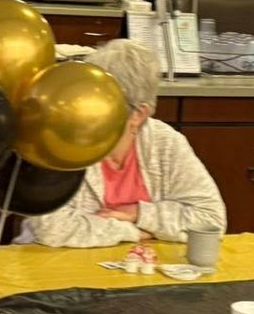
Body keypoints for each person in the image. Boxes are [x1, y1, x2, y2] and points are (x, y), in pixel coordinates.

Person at [19, 38, 226, 248]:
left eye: (105, 104)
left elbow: (211, 220)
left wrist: (138, 213)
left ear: (139, 114)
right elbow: (50, 228)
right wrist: (132, 231)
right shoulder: (64, 137)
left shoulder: (166, 143)